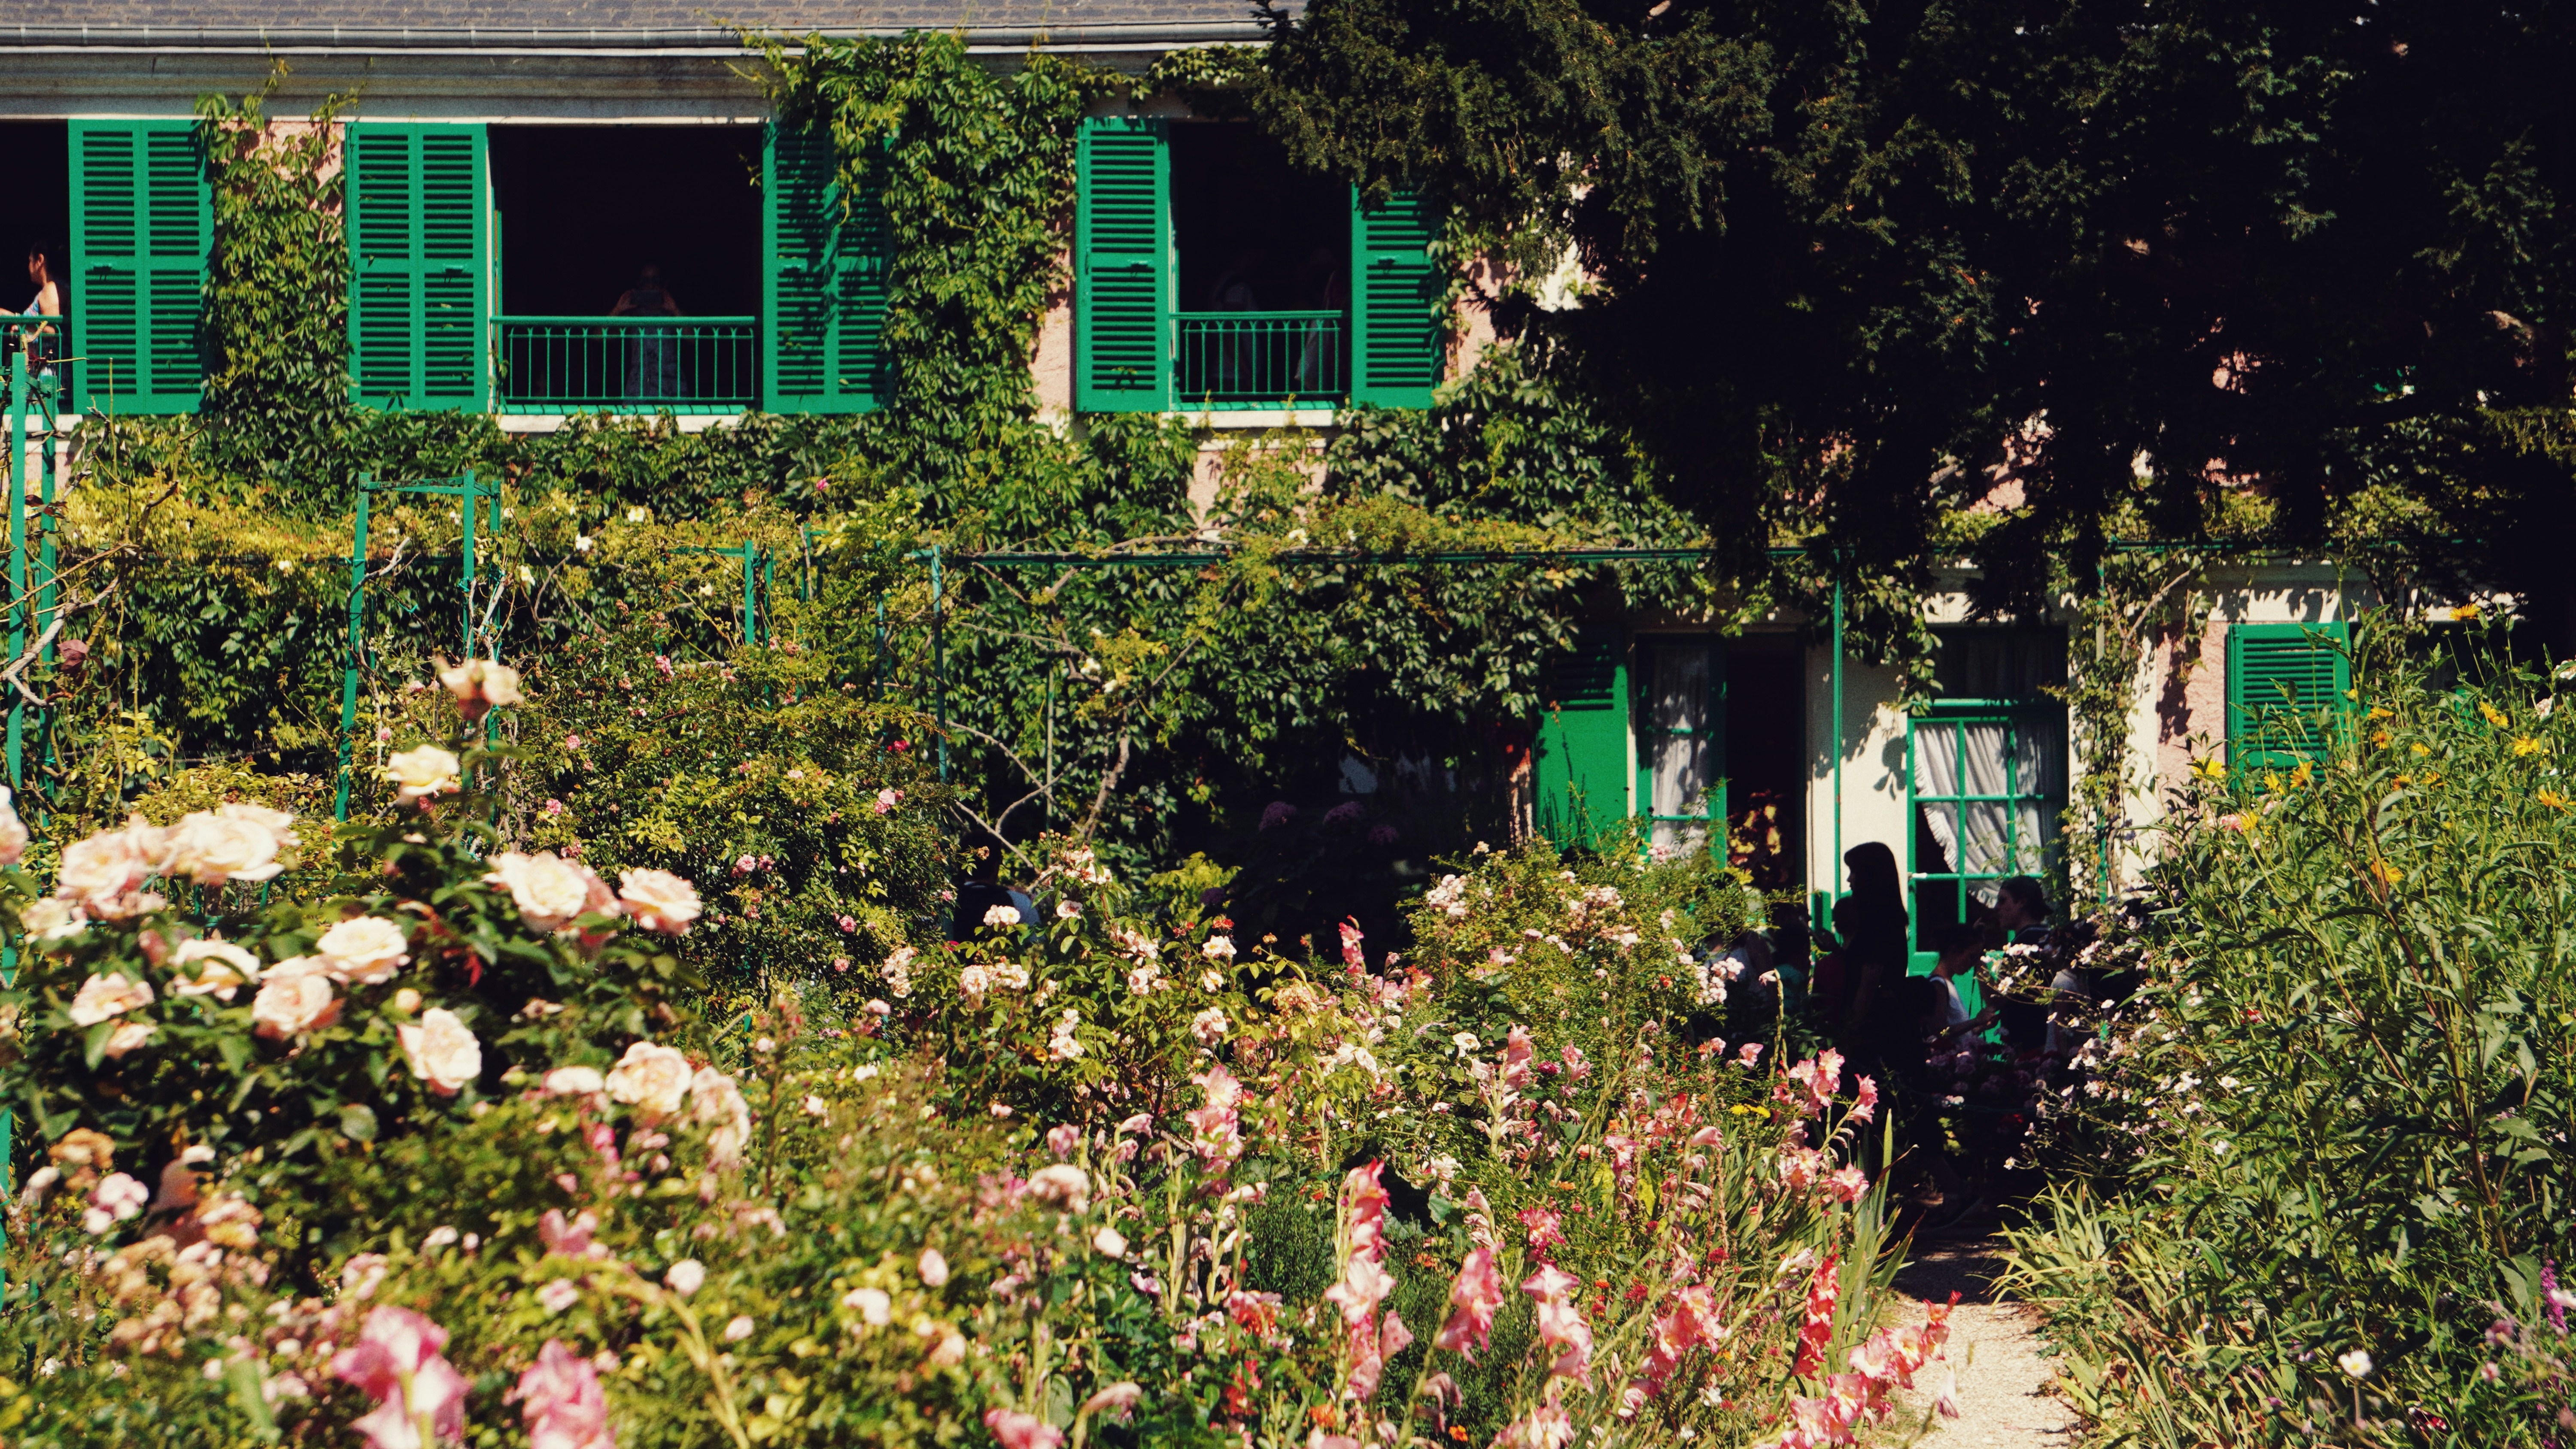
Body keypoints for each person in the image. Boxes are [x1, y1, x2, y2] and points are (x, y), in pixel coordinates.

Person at [612, 262, 681, 400]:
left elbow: (693, 338)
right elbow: (598, 336)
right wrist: (618, 310)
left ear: (665, 284)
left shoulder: (672, 315)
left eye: (657, 281)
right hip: (640, 382)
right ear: (638, 285)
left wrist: (674, 309)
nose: (651, 286)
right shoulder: (633, 315)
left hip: (670, 380)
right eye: (645, 282)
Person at [21, 246, 61, 379]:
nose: (28, 267)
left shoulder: (50, 289)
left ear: (40, 260)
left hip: (46, 373)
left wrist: (17, 320)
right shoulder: (56, 287)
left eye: (29, 261)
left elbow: (51, 331)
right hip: (42, 369)